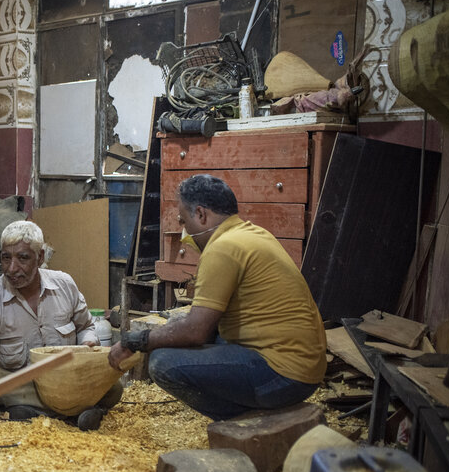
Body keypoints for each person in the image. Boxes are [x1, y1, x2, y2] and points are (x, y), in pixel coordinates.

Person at [109, 174, 326, 419]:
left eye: (184, 221)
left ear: (201, 214)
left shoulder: (223, 248)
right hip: (305, 369)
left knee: (162, 363)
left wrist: (134, 341)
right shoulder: (251, 233)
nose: (184, 230)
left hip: (284, 375)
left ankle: (240, 423)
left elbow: (195, 331)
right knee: (179, 334)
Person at [0, 220, 123, 431]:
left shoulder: (64, 284)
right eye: (5, 258)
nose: (12, 268)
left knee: (115, 388)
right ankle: (74, 412)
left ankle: (33, 412)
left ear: (41, 257)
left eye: (23, 258)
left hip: (68, 382)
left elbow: (86, 327)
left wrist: (88, 346)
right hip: (25, 385)